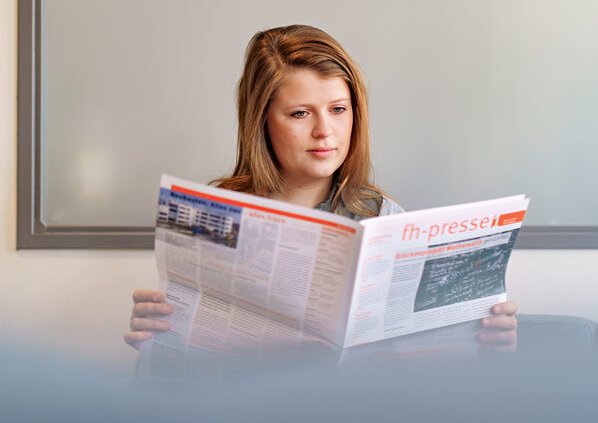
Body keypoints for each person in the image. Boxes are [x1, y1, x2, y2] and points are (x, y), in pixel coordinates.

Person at [124, 25, 518, 351]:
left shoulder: (382, 217)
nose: (324, 131)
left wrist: (488, 345)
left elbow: (418, 366)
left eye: (338, 109)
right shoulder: (214, 215)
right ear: (261, 122)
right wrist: (158, 336)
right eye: (299, 113)